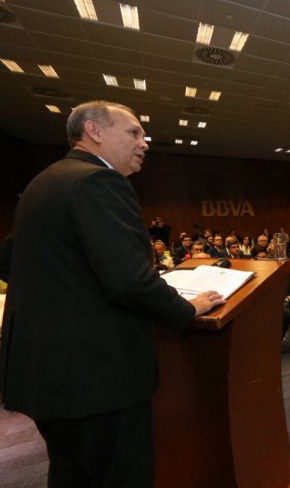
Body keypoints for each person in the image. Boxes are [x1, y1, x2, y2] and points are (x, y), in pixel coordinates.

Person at [0, 100, 225, 487]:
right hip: (97, 379)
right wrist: (187, 309)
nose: (144, 143)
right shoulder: (99, 181)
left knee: (72, 475)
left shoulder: (44, 182)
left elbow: (9, 261)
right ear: (94, 131)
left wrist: (75, 294)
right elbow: (130, 281)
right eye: (134, 132)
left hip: (44, 373)